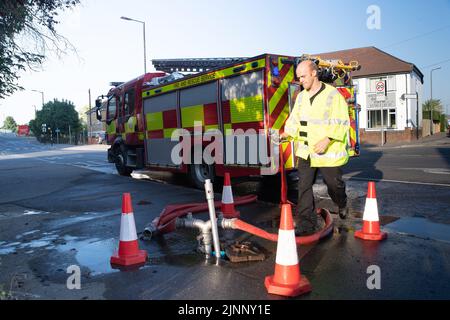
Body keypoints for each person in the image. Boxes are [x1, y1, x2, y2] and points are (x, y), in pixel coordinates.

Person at [281, 60, 350, 236]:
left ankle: (341, 203)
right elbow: (295, 120)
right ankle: (306, 223)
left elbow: (342, 121)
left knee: (334, 185)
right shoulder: (302, 97)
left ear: (314, 73)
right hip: (306, 151)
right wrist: (286, 133)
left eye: (303, 76)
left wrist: (327, 139)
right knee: (303, 186)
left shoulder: (333, 95)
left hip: (327, 153)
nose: (300, 80)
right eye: (298, 77)